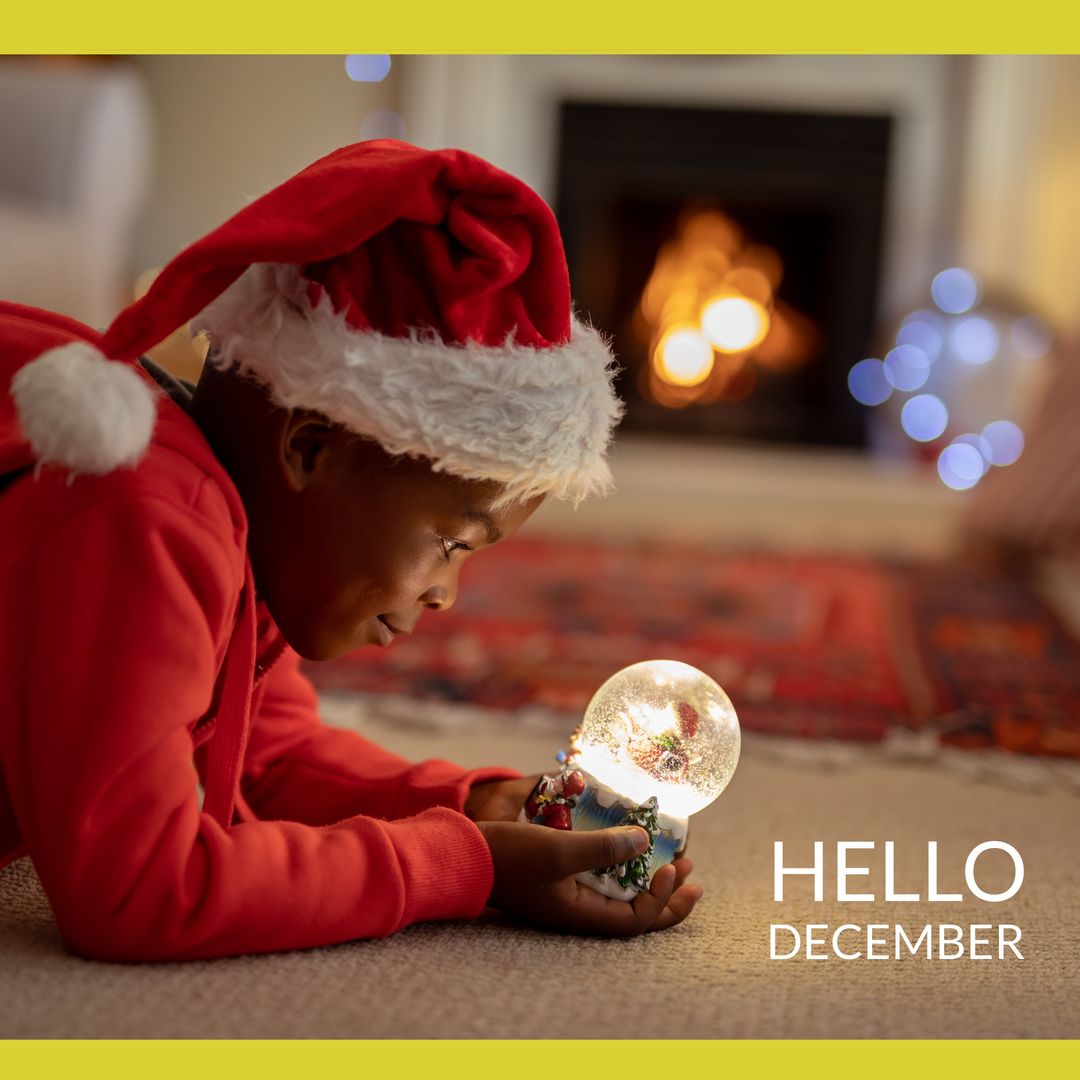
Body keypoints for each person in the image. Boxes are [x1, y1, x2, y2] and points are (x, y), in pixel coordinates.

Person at [0, 140, 700, 962]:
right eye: (451, 541)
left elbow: (270, 758)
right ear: (309, 449)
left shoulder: (249, 541)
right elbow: (140, 892)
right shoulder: (149, 516)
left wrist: (476, 806)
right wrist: (457, 870)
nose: (447, 594)